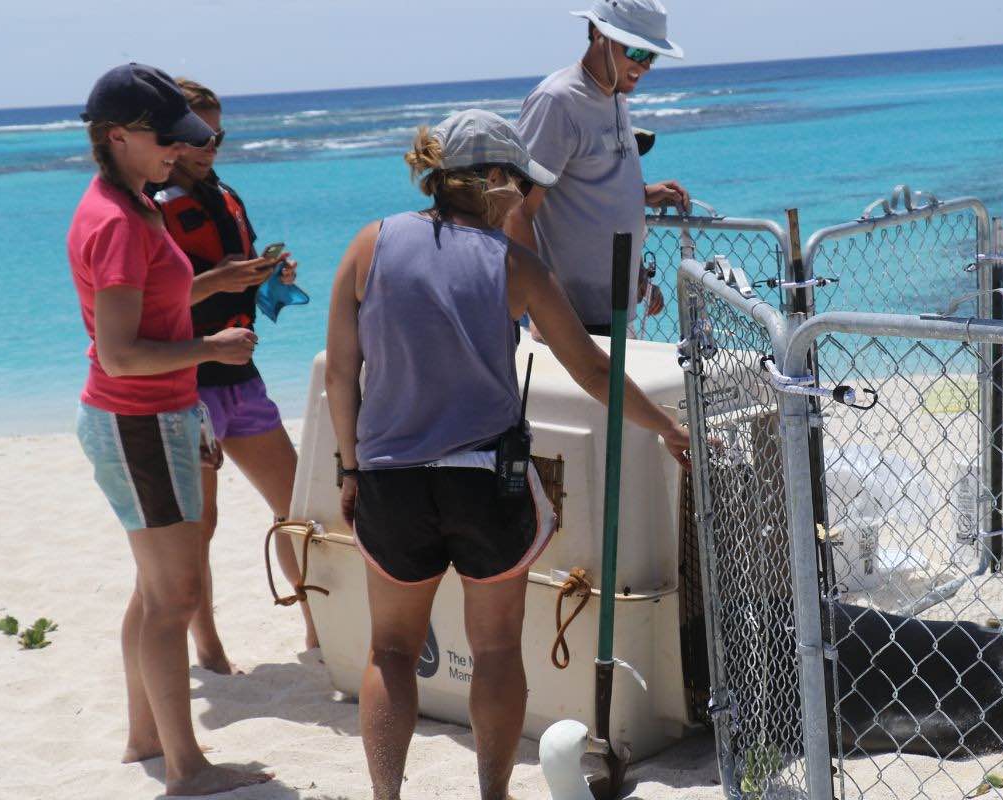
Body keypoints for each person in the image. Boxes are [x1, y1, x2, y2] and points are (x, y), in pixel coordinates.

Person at [326, 109, 690, 800]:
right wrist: (664, 427)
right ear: (493, 179)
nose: (528, 199)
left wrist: (349, 467)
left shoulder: (368, 245)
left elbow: (344, 374)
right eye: (522, 184)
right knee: (495, 651)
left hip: (390, 483)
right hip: (485, 484)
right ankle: (494, 796)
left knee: (391, 651)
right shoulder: (515, 265)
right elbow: (592, 373)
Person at [67, 63, 272, 795]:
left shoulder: (132, 202)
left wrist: (219, 285)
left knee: (156, 592)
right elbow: (121, 353)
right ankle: (186, 767)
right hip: (139, 421)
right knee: (174, 597)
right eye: (166, 139)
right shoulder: (119, 221)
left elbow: (159, 298)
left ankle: (144, 738)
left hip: (153, 418)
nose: (177, 152)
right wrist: (208, 350)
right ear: (116, 137)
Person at [152, 78, 319, 670]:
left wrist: (267, 274)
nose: (211, 145)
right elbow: (144, 309)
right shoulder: (149, 208)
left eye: (217, 134)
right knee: (201, 524)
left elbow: (233, 279)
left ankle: (317, 627)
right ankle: (209, 646)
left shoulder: (226, 195)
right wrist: (219, 280)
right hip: (185, 385)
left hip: (241, 381)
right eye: (199, 135)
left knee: (299, 507)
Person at [507, 0, 691, 338]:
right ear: (598, 34)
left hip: (615, 312)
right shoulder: (558, 101)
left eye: (652, 55)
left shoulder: (616, 95)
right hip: (571, 321)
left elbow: (586, 180)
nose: (645, 65)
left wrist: (642, 196)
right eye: (637, 51)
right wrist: (542, 306)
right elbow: (516, 210)